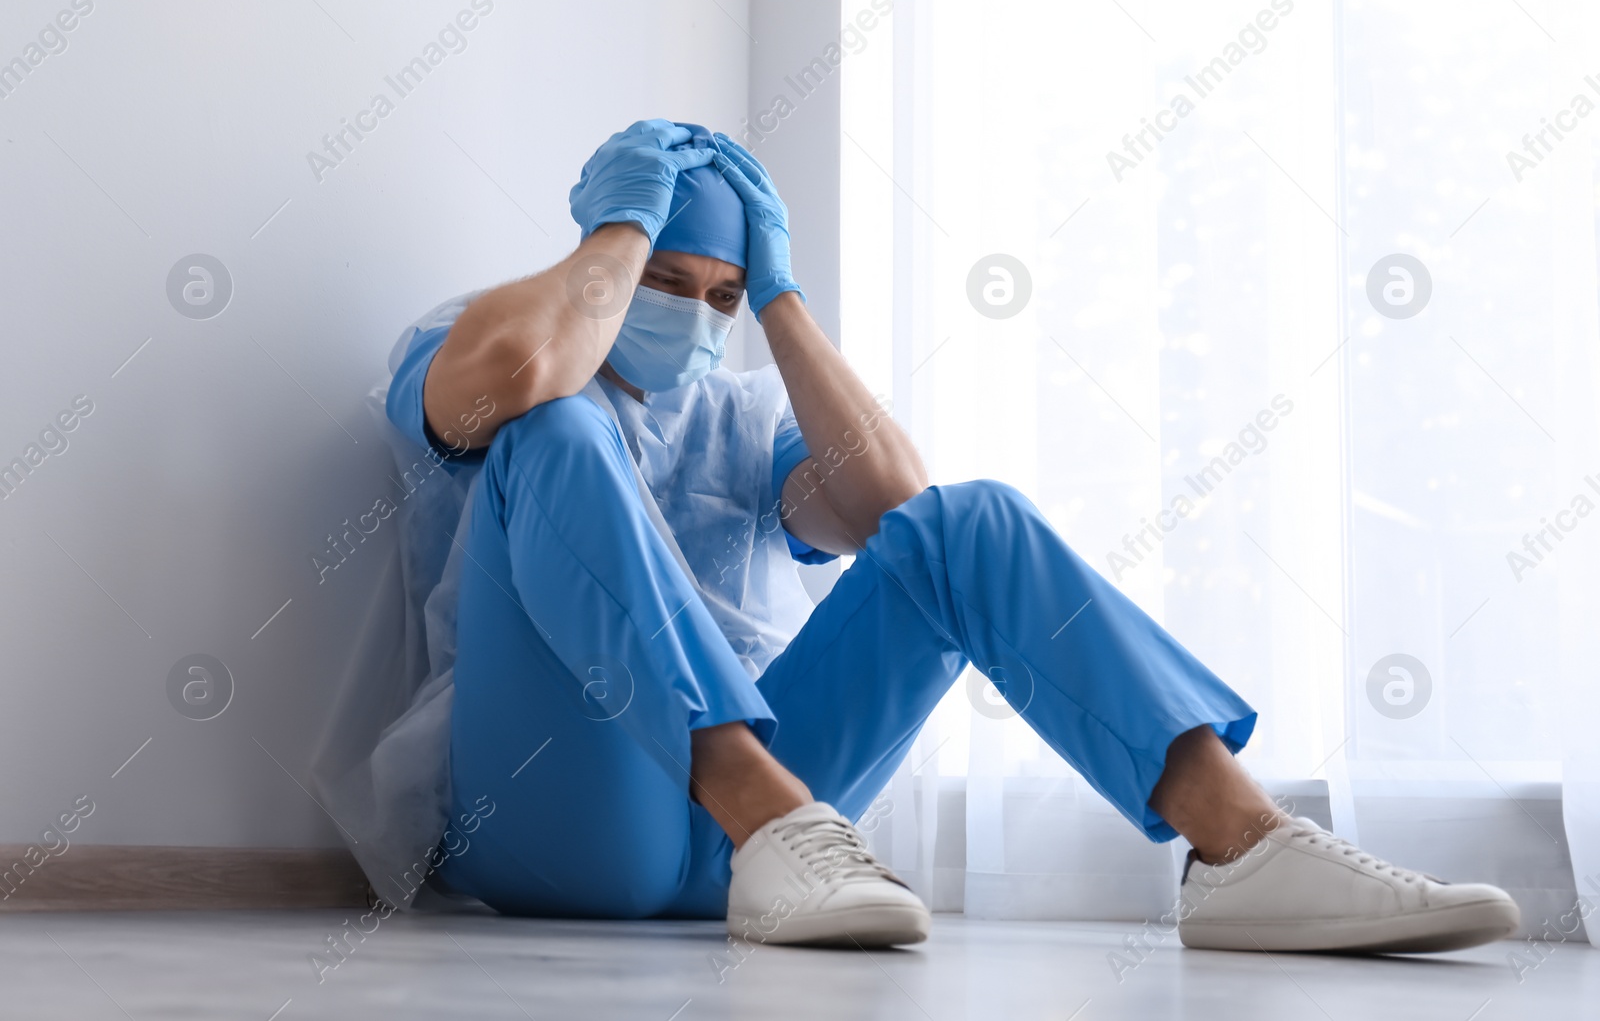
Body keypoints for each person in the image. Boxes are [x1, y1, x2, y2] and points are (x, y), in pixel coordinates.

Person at [380, 119, 1520, 952]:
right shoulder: (482, 343)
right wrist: (622, 223)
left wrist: (779, 302)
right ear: (600, 262)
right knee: (554, 430)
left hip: (768, 854)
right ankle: (764, 810)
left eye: (718, 292)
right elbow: (525, 376)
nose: (691, 312)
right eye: (660, 279)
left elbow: (895, 508)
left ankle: (1241, 845)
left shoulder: (743, 411)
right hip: (561, 813)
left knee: (967, 514)